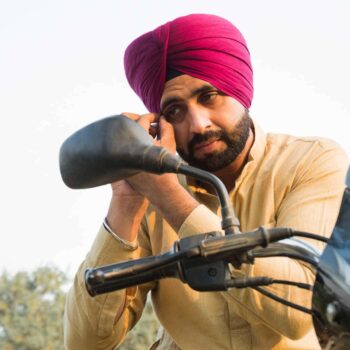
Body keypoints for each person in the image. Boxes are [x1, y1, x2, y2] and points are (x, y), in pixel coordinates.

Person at [63, 14, 349, 350]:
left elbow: (296, 311)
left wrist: (173, 200)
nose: (198, 124)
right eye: (174, 112)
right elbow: (85, 344)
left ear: (239, 89)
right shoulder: (151, 193)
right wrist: (127, 201)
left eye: (209, 96)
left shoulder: (310, 161)